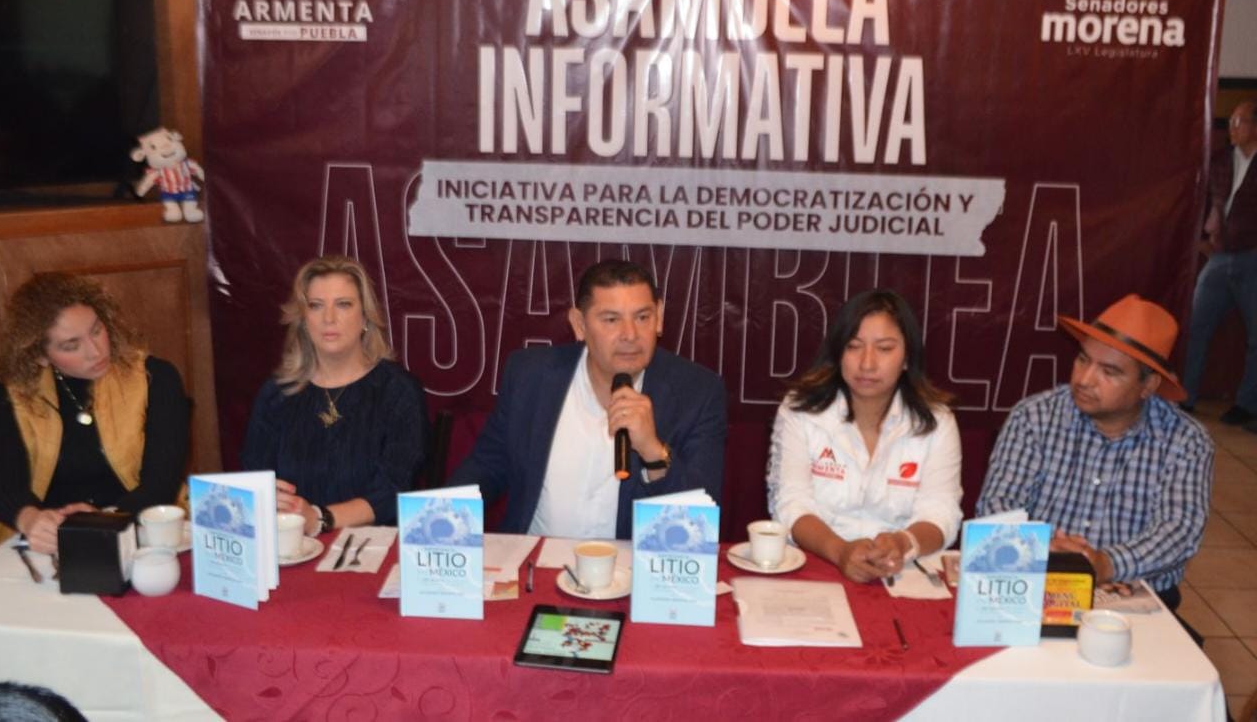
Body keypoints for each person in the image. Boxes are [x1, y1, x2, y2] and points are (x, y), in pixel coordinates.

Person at [449, 259, 727, 539]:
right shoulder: (530, 376)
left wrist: (653, 452)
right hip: (538, 555)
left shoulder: (698, 393)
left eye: (643, 317)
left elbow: (697, 525)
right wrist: (441, 523)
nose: (630, 335)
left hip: (630, 562)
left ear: (660, 317)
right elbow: (488, 466)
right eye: (611, 320)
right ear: (579, 324)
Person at [977, 294, 1214, 608]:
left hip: (1137, 589)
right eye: (1083, 359)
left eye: (1109, 372)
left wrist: (1106, 564)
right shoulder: (1034, 416)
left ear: (1148, 386)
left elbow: (1179, 530)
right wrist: (1044, 551)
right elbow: (997, 505)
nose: (1085, 379)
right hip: (1035, 577)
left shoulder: (1186, 440)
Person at [0, 273, 189, 554]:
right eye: (71, 345)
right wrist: (31, 519)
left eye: (96, 330)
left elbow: (161, 484)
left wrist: (99, 521)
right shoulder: (8, 390)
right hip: (47, 540)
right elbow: (6, 489)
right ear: (39, 355)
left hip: (141, 529)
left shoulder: (156, 377)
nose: (95, 351)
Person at [766, 288, 962, 583]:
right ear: (838, 353)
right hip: (818, 565)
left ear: (907, 357)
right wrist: (840, 551)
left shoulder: (937, 421)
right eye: (854, 346)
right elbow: (790, 504)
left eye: (884, 348)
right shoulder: (800, 410)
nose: (867, 363)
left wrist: (902, 543)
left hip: (902, 571)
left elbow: (941, 512)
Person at [241, 255, 427, 534]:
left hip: (371, 546)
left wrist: (319, 518)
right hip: (291, 542)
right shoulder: (277, 393)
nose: (329, 318)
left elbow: (394, 491)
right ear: (303, 320)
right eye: (316, 305)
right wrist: (266, 496)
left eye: (343, 304)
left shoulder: (398, 391)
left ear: (365, 317)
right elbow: (253, 479)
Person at [1183, 100, 1257, 426]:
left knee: (1256, 337)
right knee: (1196, 326)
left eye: (1239, 122)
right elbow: (1202, 199)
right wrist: (1200, 238)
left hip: (1252, 256)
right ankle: (1184, 395)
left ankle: (1246, 404)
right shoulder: (1221, 160)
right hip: (1220, 255)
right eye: (1232, 122)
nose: (1232, 128)